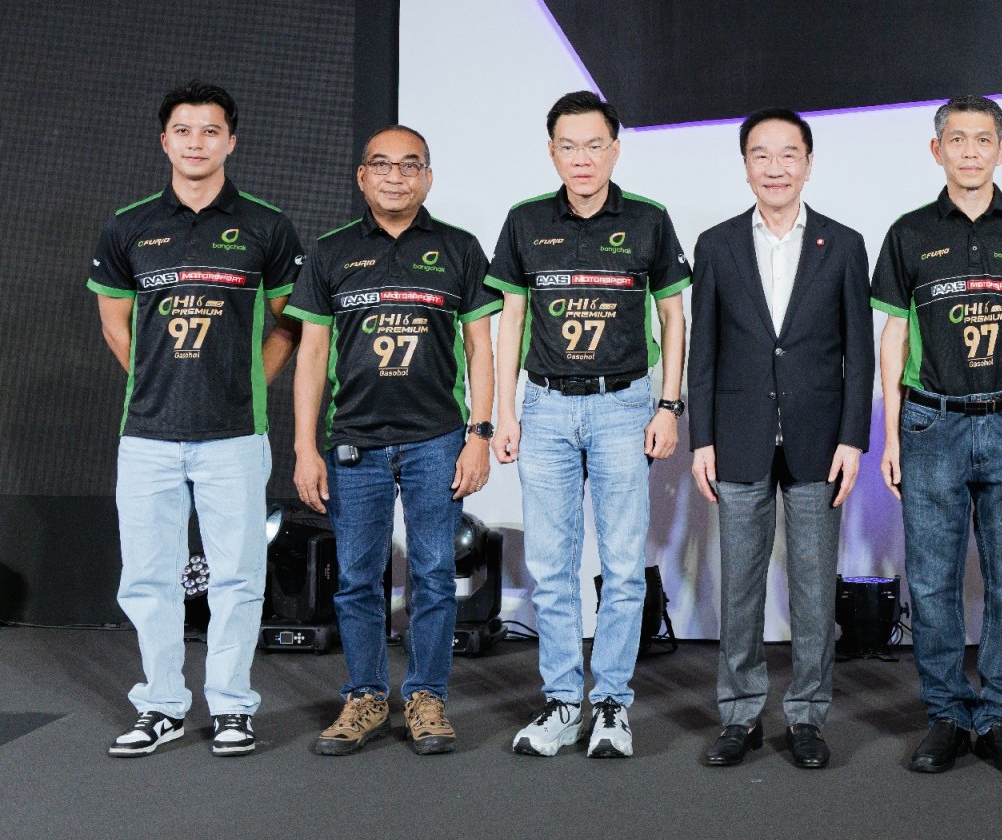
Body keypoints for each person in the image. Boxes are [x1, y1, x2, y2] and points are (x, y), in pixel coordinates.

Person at [88, 81, 303, 758]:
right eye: (183, 130)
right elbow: (115, 324)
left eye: (211, 130)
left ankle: (233, 706)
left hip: (234, 434)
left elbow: (290, 325)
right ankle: (161, 706)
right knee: (147, 578)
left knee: (237, 577)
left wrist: (246, 383)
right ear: (165, 141)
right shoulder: (127, 226)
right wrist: (158, 382)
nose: (196, 142)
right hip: (147, 435)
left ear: (230, 141)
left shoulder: (267, 225)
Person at [871, 95, 1002, 775]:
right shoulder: (908, 233)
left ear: (1001, 150)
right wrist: (892, 435)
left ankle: (1000, 716)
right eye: (956, 139)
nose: (970, 151)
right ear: (937, 150)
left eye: (983, 139)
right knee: (932, 584)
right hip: (931, 423)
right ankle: (947, 715)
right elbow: (893, 335)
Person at [487, 90, 691, 758]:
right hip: (545, 408)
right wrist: (505, 412)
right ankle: (561, 701)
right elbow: (511, 319)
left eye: (594, 144)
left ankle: (611, 704)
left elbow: (673, 317)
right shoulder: (524, 222)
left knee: (624, 566)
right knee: (550, 567)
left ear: (615, 149)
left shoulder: (648, 221)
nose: (582, 158)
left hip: (623, 406)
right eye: (569, 146)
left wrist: (668, 405)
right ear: (552, 152)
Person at [286, 126, 501, 756]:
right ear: (362, 177)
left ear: (427, 177)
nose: (395, 176)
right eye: (381, 165)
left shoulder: (459, 248)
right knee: (357, 577)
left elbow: (480, 349)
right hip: (354, 442)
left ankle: (427, 696)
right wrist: (304, 447)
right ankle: (365, 697)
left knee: (433, 573)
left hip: (438, 439)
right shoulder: (330, 252)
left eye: (410, 166)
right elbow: (311, 355)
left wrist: (479, 435)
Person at [689, 108, 874, 771]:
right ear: (745, 165)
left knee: (814, 586)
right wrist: (701, 439)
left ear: (808, 163)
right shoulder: (716, 244)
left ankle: (807, 715)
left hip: (819, 441)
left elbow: (860, 352)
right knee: (738, 584)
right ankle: (739, 713)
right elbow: (704, 351)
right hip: (736, 437)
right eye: (761, 155)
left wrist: (853, 439)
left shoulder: (843, 243)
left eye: (788, 154)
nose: (775, 167)